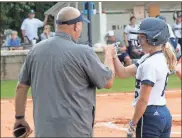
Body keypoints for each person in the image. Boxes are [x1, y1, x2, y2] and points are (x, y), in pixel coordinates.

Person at [13, 7, 115, 137]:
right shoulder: (83, 52)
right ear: (77, 26)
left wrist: (19, 118)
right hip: (76, 131)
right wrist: (109, 55)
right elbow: (108, 81)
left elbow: (21, 87)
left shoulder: (35, 51)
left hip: (44, 132)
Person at [106, 17, 177, 138]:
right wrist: (114, 56)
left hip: (149, 116)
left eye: (142, 37)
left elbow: (143, 100)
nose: (139, 41)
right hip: (163, 113)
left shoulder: (150, 63)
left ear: (155, 38)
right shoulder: (153, 57)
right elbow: (123, 73)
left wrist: (133, 123)